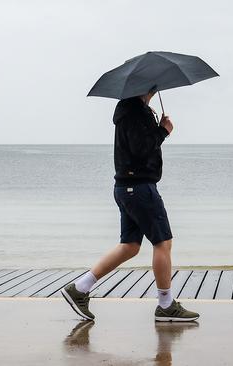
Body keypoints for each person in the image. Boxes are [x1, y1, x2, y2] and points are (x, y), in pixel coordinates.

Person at [61, 89, 199, 322]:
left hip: (126, 187)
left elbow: (139, 145)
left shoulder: (131, 110)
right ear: (144, 88)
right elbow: (141, 148)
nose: (155, 90)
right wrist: (163, 131)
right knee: (163, 242)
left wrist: (157, 127)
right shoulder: (136, 111)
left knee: (130, 246)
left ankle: (80, 288)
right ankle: (166, 305)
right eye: (152, 87)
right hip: (139, 187)